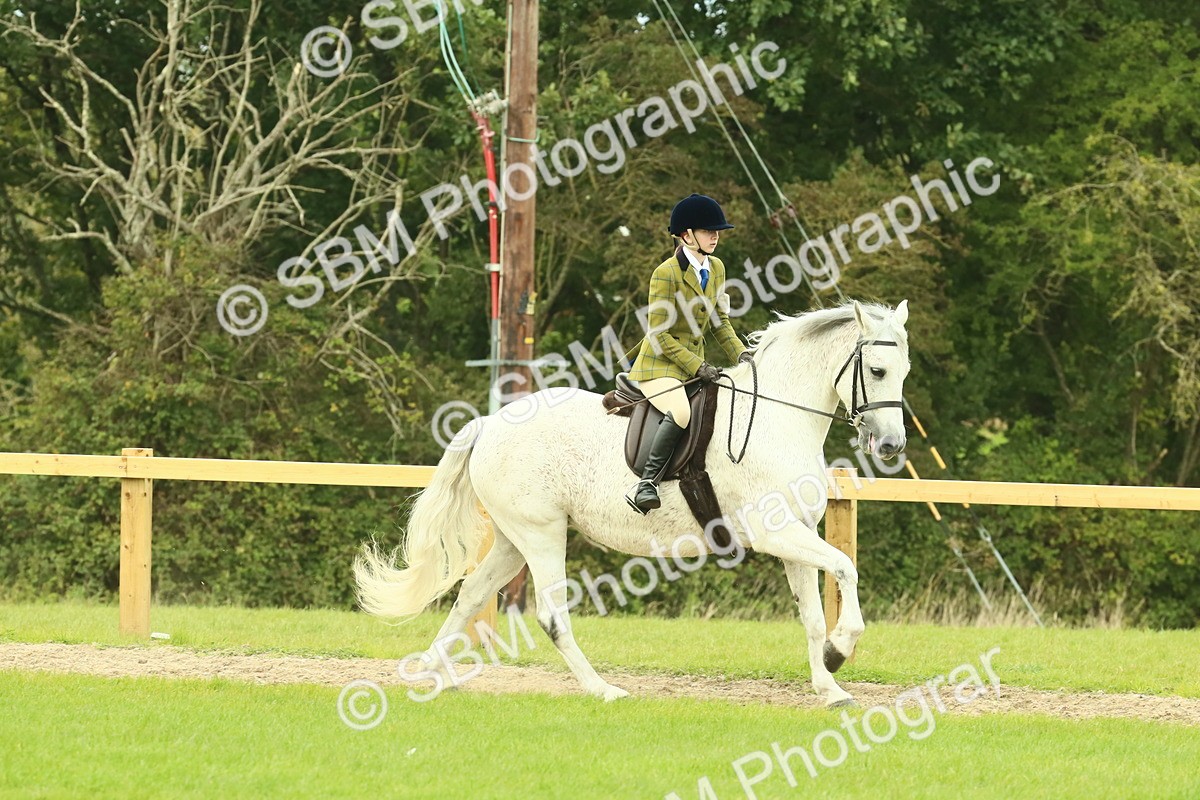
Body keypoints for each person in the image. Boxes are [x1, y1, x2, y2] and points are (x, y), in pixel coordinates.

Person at [622, 193, 753, 514]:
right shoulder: (665, 273)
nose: (716, 235)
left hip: (693, 365)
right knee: (680, 413)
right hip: (659, 365)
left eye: (717, 230)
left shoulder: (717, 268)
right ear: (686, 235)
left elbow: (720, 322)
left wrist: (743, 355)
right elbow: (660, 334)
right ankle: (645, 485)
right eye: (708, 230)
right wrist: (698, 366)